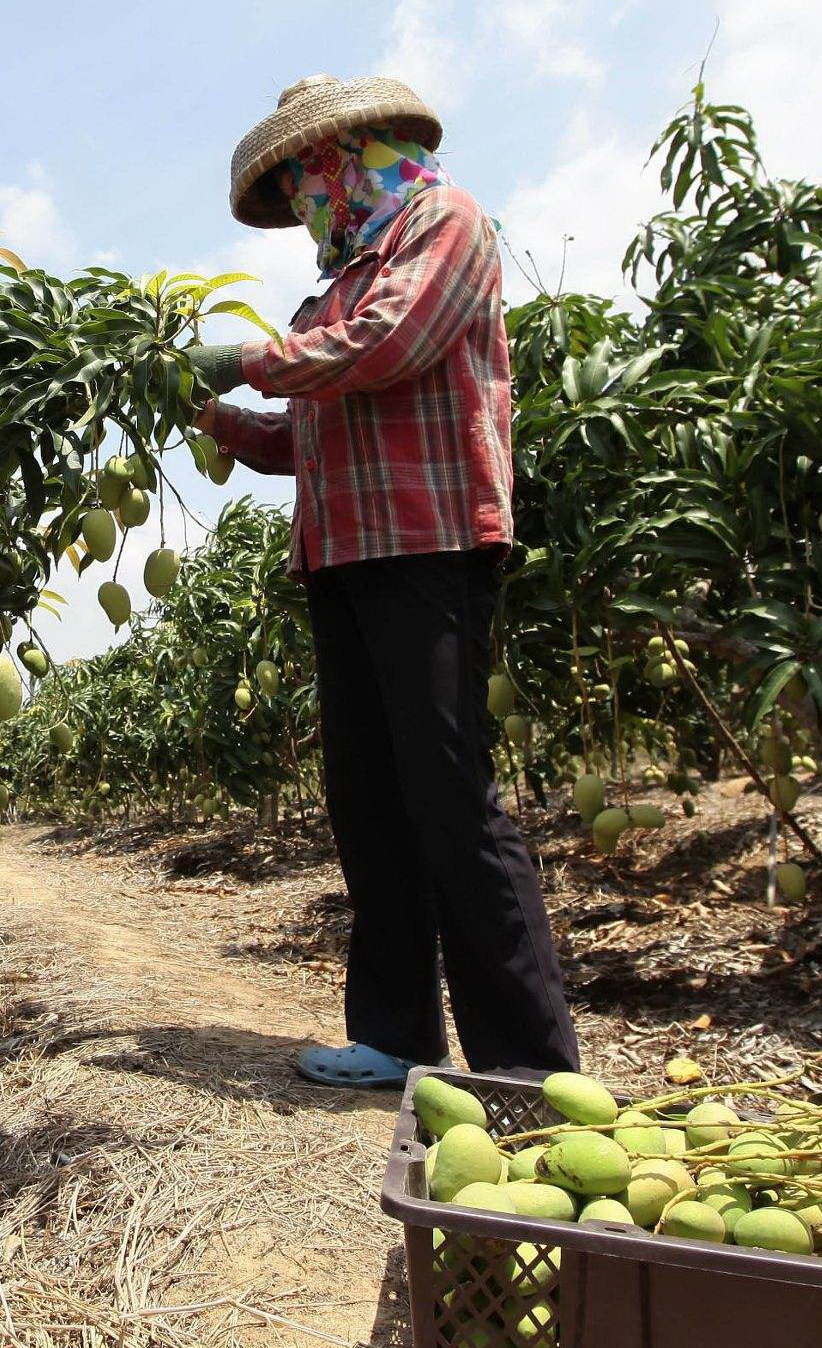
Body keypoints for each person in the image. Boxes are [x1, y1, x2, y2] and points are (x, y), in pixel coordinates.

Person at [186, 74, 579, 1088]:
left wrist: (244, 359)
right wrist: (211, 415)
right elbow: (305, 442)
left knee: (451, 796)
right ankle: (398, 1034)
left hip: (428, 542)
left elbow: (390, 345)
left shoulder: (443, 221)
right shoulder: (329, 287)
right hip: (341, 556)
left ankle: (525, 1063)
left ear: (348, 154)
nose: (306, 202)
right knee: (368, 800)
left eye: (307, 178)